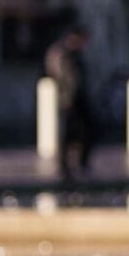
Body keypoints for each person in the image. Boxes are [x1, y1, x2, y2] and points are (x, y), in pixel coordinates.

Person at [45, 24, 96, 180]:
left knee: (89, 130)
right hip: (68, 100)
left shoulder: (75, 53)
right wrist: (67, 97)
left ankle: (80, 163)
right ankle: (65, 167)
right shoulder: (61, 53)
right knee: (66, 134)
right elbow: (64, 77)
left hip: (78, 98)